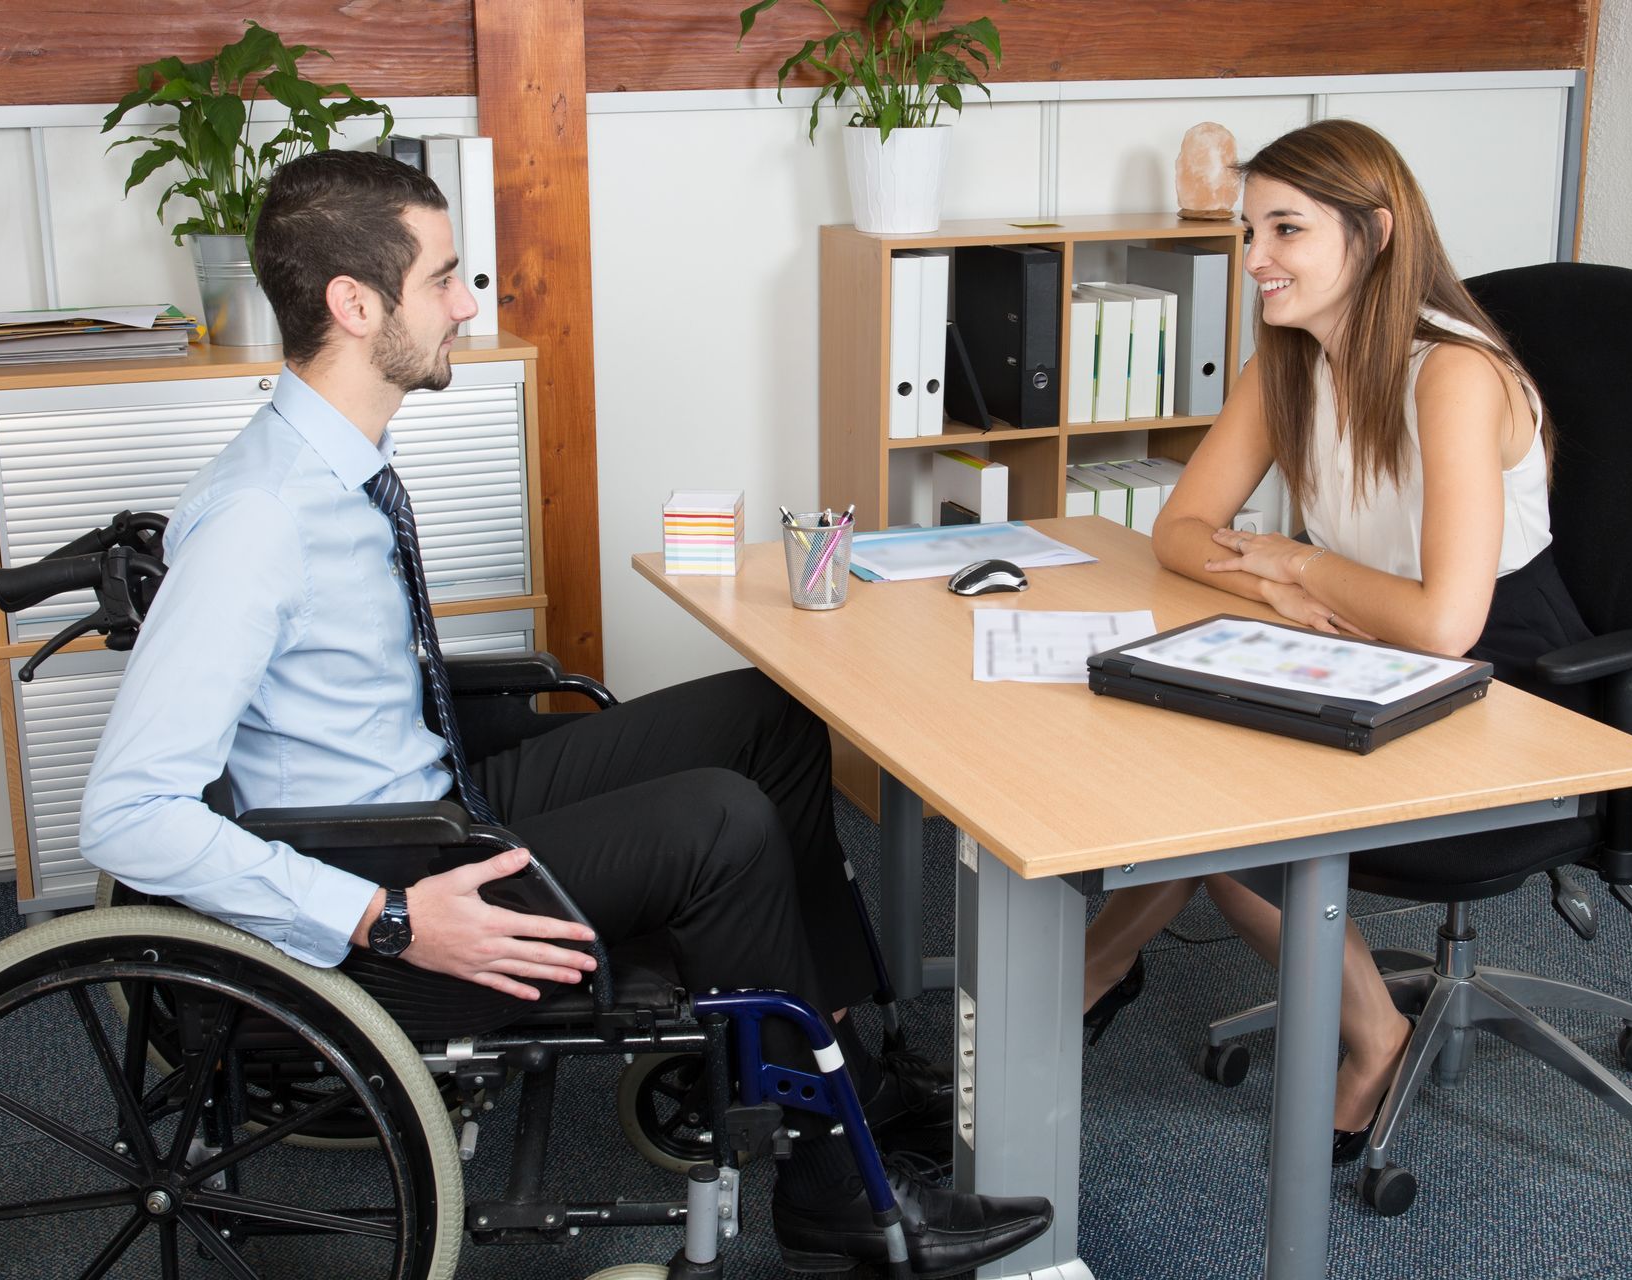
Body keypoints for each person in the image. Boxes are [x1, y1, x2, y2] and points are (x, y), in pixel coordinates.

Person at [79, 148, 1050, 1274]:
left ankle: (833, 1063)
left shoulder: (330, 464)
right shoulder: (257, 518)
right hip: (395, 885)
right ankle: (829, 1186)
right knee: (719, 821)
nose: (466, 300)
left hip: (431, 796)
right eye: (443, 276)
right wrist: (386, 920)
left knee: (768, 717)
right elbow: (128, 810)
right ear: (355, 304)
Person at [1078, 118, 1592, 1164]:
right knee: (1183, 764)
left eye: (1285, 230)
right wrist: (1281, 577)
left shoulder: (1453, 374)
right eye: (1247, 229)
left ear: (1376, 235)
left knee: (1229, 820)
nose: (1254, 259)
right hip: (1368, 651)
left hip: (1517, 691)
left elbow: (1449, 619)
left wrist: (1291, 564)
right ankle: (1092, 978)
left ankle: (1359, 1031)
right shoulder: (1292, 365)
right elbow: (1180, 529)